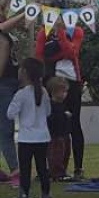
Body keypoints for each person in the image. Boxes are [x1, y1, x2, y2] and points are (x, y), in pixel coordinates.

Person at [36, 17, 85, 180]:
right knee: (49, 124)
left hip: (71, 82)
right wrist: (60, 54)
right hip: (52, 81)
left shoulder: (76, 31)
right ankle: (47, 168)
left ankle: (78, 167)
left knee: (73, 124)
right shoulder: (44, 33)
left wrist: (61, 33)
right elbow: (40, 55)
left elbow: (72, 52)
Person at [3, 58, 52, 198]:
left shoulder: (21, 94)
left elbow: (10, 114)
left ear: (24, 72)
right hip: (43, 136)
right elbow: (48, 112)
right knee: (42, 168)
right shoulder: (43, 91)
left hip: (26, 138)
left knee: (25, 169)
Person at [0, 11, 25, 186]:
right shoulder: (4, 37)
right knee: (5, 128)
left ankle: (15, 169)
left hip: (6, 84)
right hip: (6, 84)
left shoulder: (3, 37)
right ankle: (15, 169)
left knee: (5, 128)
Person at [46, 76, 72, 182]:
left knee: (65, 153)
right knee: (56, 154)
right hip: (55, 135)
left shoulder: (63, 105)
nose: (64, 94)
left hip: (64, 133)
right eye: (62, 91)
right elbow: (52, 119)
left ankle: (62, 170)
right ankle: (57, 173)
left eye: (66, 91)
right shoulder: (51, 106)